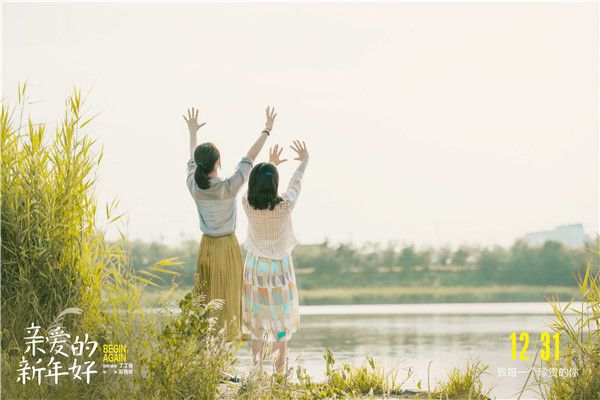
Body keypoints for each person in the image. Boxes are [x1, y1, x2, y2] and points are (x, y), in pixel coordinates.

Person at [184, 106, 277, 341]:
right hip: (227, 247)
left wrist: (192, 132)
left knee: (207, 300)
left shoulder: (194, 187)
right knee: (229, 296)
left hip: (206, 248)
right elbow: (250, 157)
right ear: (218, 162)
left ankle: (209, 358)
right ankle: (224, 357)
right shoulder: (229, 187)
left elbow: (191, 161)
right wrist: (266, 130)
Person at [241, 140, 309, 374]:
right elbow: (294, 185)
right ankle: (280, 374)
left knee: (257, 323)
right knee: (280, 322)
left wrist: (270, 163)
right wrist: (304, 162)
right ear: (274, 184)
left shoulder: (246, 204)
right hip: (279, 268)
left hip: (255, 267)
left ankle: (257, 372)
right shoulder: (284, 206)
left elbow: (261, 185)